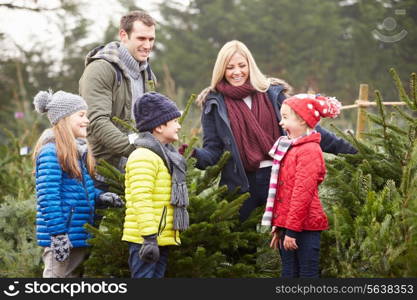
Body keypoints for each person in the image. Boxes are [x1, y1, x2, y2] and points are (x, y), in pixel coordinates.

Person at [191, 40, 356, 222]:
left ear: (250, 66)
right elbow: (213, 151)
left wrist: (354, 152)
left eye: (241, 65)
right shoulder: (214, 103)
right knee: (243, 247)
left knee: (288, 240)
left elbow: (308, 131)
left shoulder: (272, 94)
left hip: (281, 178)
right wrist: (190, 154)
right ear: (221, 70)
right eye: (230, 67)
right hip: (240, 185)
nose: (237, 72)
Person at [33, 90, 124, 278]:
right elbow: (47, 197)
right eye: (81, 115)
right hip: (62, 235)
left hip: (77, 234)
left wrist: (101, 197)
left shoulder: (76, 152)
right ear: (64, 119)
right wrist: (58, 235)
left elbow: (80, 189)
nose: (87, 120)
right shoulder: (51, 152)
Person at [262, 94, 341, 277]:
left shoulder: (309, 151)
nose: (281, 123)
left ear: (304, 121)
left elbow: (301, 194)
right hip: (289, 226)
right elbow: (283, 191)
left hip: (304, 228)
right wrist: (279, 227)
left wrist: (291, 231)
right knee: (289, 272)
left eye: (286, 118)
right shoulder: (291, 148)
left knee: (306, 273)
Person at [79, 10, 157, 188]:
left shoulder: (149, 74)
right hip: (102, 175)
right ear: (123, 35)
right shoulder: (100, 69)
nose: (147, 45)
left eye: (151, 39)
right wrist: (138, 150)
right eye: (141, 39)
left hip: (138, 172)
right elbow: (97, 121)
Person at [122, 92, 189, 278]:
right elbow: (140, 198)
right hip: (146, 240)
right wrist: (150, 237)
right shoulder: (143, 156)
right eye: (175, 121)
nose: (179, 126)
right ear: (159, 126)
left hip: (160, 238)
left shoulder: (165, 155)